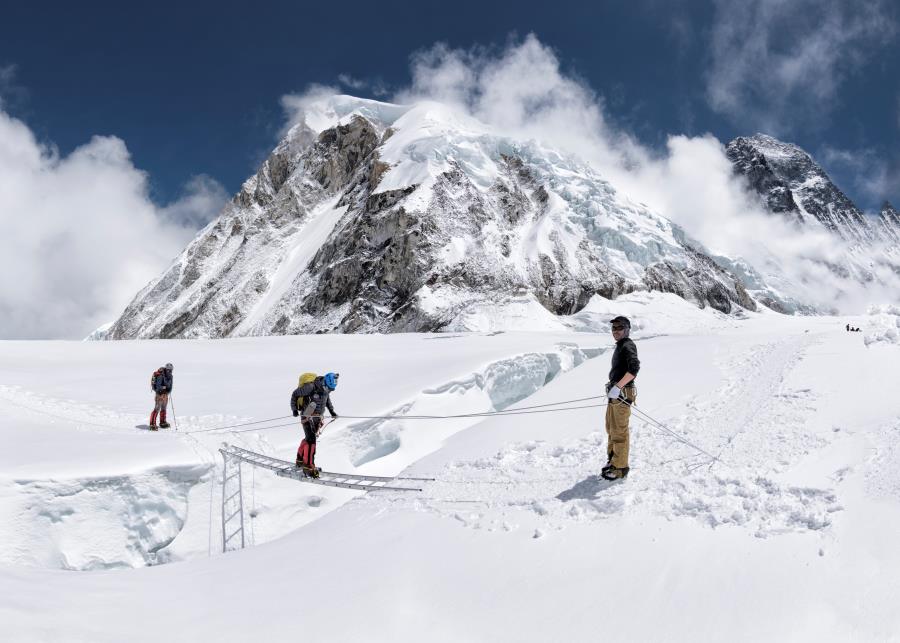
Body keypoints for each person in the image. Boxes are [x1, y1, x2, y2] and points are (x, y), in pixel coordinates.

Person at [602, 317, 640, 481]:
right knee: (611, 429)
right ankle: (613, 461)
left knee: (619, 432)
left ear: (627, 329)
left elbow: (634, 368)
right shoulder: (621, 345)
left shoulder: (627, 345)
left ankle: (620, 468)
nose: (615, 330)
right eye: (614, 327)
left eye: (620, 327)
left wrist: (618, 387)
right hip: (616, 393)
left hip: (622, 393)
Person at [290, 372, 339, 478]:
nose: (328, 391)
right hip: (306, 415)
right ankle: (308, 467)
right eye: (327, 388)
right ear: (324, 382)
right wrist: (294, 410)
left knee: (309, 438)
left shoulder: (327, 389)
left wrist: (332, 411)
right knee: (311, 441)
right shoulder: (310, 387)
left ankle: (299, 459)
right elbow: (295, 394)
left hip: (317, 417)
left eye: (330, 389)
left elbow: (327, 400)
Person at [149, 363, 174, 430]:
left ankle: (163, 422)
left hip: (165, 395)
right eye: (168, 370)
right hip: (159, 395)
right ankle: (152, 424)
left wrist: (168, 391)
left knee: (164, 408)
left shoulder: (171, 376)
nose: (170, 371)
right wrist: (164, 388)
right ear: (166, 369)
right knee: (157, 408)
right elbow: (158, 387)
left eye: (171, 370)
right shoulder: (160, 375)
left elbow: (171, 386)